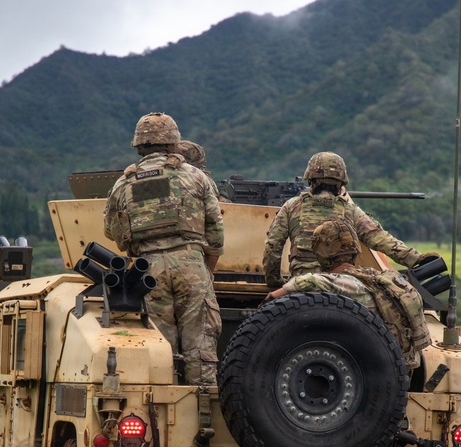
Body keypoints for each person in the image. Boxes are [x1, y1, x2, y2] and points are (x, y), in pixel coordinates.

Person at [103, 112, 224, 385]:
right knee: (201, 345)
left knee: (160, 348)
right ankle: (203, 412)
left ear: (138, 146)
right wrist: (207, 271)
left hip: (148, 270)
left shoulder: (124, 183)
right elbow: (216, 230)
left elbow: (111, 230)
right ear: (173, 143)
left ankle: (162, 411)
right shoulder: (195, 177)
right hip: (191, 263)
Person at [266, 219, 431, 370]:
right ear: (355, 249)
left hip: (369, 373)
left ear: (321, 252)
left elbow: (307, 282)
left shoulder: (339, 284)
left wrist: (270, 299)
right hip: (400, 371)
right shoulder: (387, 280)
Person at [262, 151, 437, 289]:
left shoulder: (292, 206)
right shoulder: (349, 210)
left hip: (302, 285)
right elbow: (379, 238)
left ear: (311, 180)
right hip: (341, 286)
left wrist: (274, 282)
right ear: (340, 184)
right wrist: (415, 259)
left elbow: (273, 247)